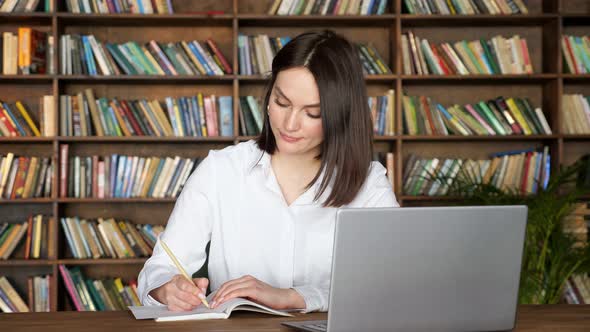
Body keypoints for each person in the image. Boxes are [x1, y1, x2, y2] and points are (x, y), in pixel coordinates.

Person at [137, 30, 399, 313]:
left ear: (341, 114)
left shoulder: (369, 185)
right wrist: (166, 289)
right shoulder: (221, 170)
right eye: (282, 102)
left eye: (312, 113)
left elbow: (393, 284)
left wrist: (294, 297)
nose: (289, 123)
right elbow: (160, 268)